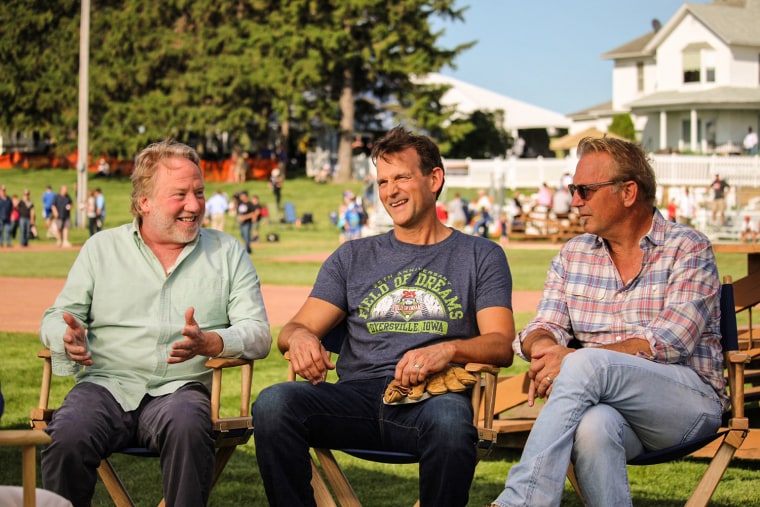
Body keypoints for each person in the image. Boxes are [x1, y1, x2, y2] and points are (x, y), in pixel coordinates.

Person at [253, 126, 516, 507]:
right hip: (354, 398)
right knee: (274, 404)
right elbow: (295, 327)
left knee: (450, 424)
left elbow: (500, 344)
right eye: (382, 182)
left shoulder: (481, 256)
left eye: (402, 178)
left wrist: (448, 350)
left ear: (434, 179)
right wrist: (300, 338)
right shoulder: (351, 257)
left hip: (431, 399)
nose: (390, 191)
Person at [491, 136, 725, 507]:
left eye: (584, 190)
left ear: (628, 192)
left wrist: (573, 361)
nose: (575, 201)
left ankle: (523, 501)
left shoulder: (688, 247)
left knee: (586, 361)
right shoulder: (573, 255)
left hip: (686, 405)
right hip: (611, 412)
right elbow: (541, 327)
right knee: (592, 428)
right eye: (573, 189)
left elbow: (671, 341)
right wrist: (546, 348)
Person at [39, 139, 272, 507]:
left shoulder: (227, 253)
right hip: (105, 385)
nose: (195, 205)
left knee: (189, 427)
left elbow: (259, 334)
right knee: (67, 436)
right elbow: (56, 317)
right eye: (180, 194)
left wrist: (212, 342)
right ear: (143, 201)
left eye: (199, 192)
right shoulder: (102, 248)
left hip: (181, 390)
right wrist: (65, 336)